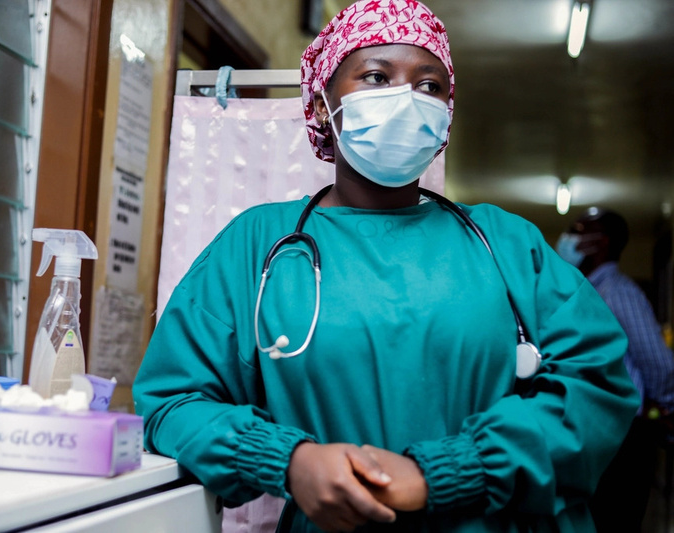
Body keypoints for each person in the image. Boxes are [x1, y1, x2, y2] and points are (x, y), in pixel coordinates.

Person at [134, 1, 639, 531]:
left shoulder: (506, 243)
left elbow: (596, 385)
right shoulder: (260, 244)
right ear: (324, 100)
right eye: (376, 77)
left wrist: (450, 472)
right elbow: (173, 400)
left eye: (430, 86)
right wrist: (288, 459)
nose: (407, 100)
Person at [557, 207, 674, 533]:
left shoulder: (619, 293)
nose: (570, 237)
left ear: (602, 243)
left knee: (616, 517)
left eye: (579, 230)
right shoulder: (585, 290)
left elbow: (658, 361)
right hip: (595, 428)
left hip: (625, 434)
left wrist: (665, 402)